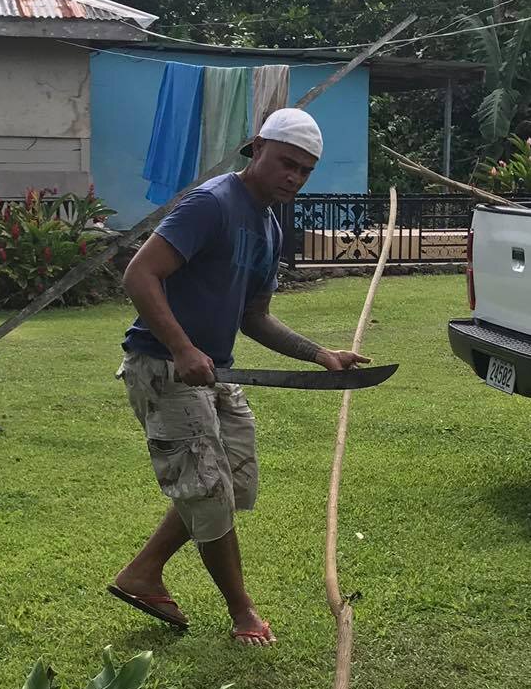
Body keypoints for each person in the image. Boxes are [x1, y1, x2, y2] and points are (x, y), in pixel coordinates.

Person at [110, 106, 367, 646]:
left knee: (233, 484)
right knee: (207, 490)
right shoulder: (213, 203)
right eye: (286, 163)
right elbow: (140, 274)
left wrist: (320, 355)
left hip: (215, 374)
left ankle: (143, 572)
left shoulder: (270, 225)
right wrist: (181, 347)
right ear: (257, 149)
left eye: (305, 170)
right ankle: (242, 612)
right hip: (164, 367)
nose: (293, 176)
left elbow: (255, 316)